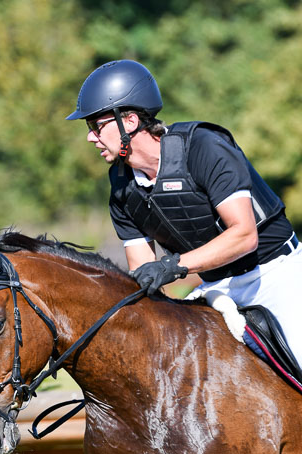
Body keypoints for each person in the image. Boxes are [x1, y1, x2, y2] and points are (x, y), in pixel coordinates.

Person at [66, 59, 302, 368]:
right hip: (215, 289)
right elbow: (146, 273)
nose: (90, 137)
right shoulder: (122, 190)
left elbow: (244, 235)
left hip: (275, 275)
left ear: (131, 122)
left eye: (97, 126)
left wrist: (174, 266)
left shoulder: (204, 148)